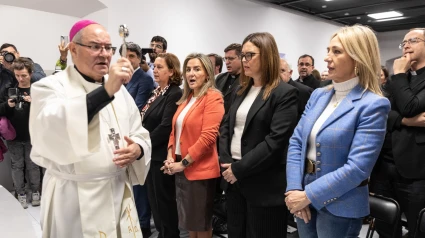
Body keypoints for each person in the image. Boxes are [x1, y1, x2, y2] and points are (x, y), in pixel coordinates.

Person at [29, 19, 151, 238]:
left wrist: (138, 149)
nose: (104, 54)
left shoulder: (121, 92)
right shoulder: (50, 86)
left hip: (118, 190)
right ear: (73, 49)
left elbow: (138, 131)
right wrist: (106, 91)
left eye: (108, 48)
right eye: (95, 46)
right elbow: (51, 129)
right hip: (75, 197)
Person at [285, 25, 390, 238]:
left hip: (340, 204)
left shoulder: (373, 104)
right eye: (328, 50)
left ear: (358, 58)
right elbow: (297, 142)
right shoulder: (318, 96)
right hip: (303, 196)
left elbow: (357, 168)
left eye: (336, 51)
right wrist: (294, 190)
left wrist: (308, 195)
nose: (327, 58)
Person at [219, 32, 298, 238]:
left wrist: (239, 168)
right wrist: (227, 162)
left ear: (267, 55)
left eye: (249, 55)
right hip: (234, 179)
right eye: (242, 56)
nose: (244, 61)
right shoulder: (241, 88)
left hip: (263, 183)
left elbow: (275, 141)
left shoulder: (284, 93)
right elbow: (226, 127)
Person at [161, 53, 224, 238]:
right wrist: (170, 157)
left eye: (197, 69)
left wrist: (184, 163)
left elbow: (208, 137)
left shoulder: (213, 97)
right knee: (189, 223)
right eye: (188, 69)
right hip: (181, 167)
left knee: (201, 224)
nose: (191, 74)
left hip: (199, 170)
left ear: (207, 73)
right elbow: (174, 132)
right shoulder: (186, 99)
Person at [371, 28, 425, 238]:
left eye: (413, 40)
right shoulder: (397, 80)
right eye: (403, 43)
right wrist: (405, 120)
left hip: (415, 170)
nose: (406, 45)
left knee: (416, 228)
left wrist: (400, 73)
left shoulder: (399, 77)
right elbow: (381, 111)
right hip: (384, 166)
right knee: (385, 228)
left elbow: (409, 105)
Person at [142, 53, 182, 238]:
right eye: (153, 66)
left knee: (164, 203)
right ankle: (162, 233)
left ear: (171, 71)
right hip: (151, 154)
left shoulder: (174, 92)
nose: (154, 70)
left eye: (159, 67)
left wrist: (142, 144)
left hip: (161, 155)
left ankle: (169, 234)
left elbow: (166, 127)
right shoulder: (156, 92)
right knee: (154, 201)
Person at [0, 58, 40, 209]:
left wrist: (34, 103)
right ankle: (20, 193)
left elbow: (47, 112)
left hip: (33, 136)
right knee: (17, 166)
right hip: (14, 136)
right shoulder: (9, 89)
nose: (20, 79)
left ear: (30, 73)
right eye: (17, 75)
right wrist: (8, 105)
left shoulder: (38, 90)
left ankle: (36, 191)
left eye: (23, 75)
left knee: (33, 166)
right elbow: (0, 110)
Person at [216, 43, 242, 114]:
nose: (227, 62)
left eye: (231, 59)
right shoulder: (220, 78)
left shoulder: (248, 80)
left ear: (241, 58)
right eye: (225, 59)